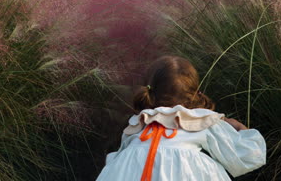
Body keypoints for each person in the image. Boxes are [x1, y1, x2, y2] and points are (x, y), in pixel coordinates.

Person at [96, 56, 266, 181]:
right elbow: (249, 155)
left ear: (150, 91)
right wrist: (239, 127)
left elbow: (119, 159)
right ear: (194, 94)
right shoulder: (201, 120)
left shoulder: (139, 122)